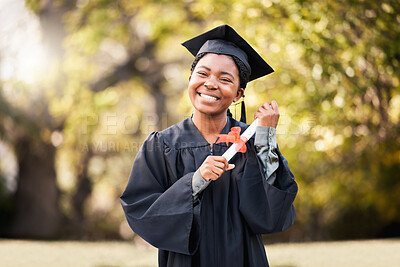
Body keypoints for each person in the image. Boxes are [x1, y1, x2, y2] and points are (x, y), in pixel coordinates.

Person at [120, 24, 298, 267]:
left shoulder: (254, 140)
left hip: (243, 259)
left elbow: (273, 214)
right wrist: (194, 182)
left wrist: (266, 137)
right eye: (202, 74)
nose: (211, 84)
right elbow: (141, 211)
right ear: (190, 79)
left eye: (225, 79)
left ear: (239, 94)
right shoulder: (161, 145)